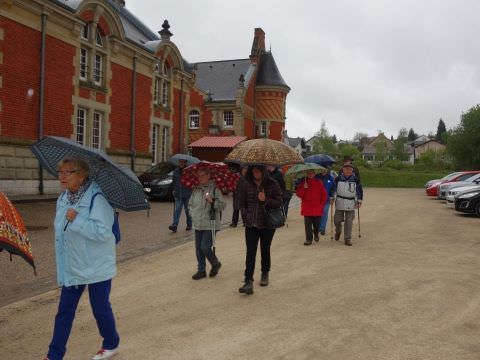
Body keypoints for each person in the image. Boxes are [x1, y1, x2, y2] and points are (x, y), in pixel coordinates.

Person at [44, 157, 119, 360]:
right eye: (60, 172)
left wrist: (77, 219)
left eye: (68, 172)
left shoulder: (97, 199)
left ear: (82, 175)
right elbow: (61, 230)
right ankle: (54, 355)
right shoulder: (65, 197)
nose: (62, 176)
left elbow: (103, 233)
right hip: (74, 263)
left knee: (100, 307)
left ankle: (111, 343)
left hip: (96, 264)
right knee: (65, 311)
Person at [237, 165, 283, 295]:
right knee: (250, 252)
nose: (255, 173)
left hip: (267, 223)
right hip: (251, 224)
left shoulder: (272, 183)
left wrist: (265, 200)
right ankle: (248, 281)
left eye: (258, 170)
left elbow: (279, 202)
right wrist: (246, 215)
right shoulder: (247, 184)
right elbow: (241, 202)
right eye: (253, 170)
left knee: (265, 249)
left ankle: (264, 273)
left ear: (263, 171)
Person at [188, 167, 226, 280]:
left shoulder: (215, 189)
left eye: (203, 175)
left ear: (208, 175)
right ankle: (201, 270)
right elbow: (190, 204)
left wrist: (212, 201)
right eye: (198, 176)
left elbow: (222, 205)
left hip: (210, 223)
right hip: (197, 223)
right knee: (198, 248)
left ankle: (215, 263)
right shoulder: (196, 189)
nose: (200, 178)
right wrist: (191, 213)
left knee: (205, 247)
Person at [333, 164, 363, 246]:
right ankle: (338, 231)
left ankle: (347, 238)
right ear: (343, 170)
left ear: (352, 171)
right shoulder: (338, 179)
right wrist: (332, 196)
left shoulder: (356, 179)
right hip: (339, 201)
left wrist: (359, 200)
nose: (348, 171)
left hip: (351, 202)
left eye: (349, 169)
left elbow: (359, 190)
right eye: (346, 169)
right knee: (337, 220)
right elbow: (333, 188)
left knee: (349, 221)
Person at [296, 169, 328, 245]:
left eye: (312, 173)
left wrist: (321, 204)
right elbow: (299, 194)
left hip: (317, 207)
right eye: (308, 173)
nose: (310, 174)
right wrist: (304, 188)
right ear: (306, 174)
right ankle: (308, 239)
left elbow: (324, 194)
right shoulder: (303, 183)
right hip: (307, 207)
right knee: (308, 225)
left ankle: (316, 234)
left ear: (314, 174)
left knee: (317, 224)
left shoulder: (319, 182)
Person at [169, 159, 192, 233]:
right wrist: (173, 189)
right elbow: (174, 181)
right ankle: (174, 226)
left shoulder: (189, 171)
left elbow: (192, 182)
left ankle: (189, 224)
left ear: (185, 162)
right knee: (177, 210)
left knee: (187, 211)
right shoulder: (176, 171)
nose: (181, 163)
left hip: (187, 194)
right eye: (180, 162)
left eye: (182, 162)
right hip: (178, 194)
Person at [315, 167, 336, 235]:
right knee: (317, 213)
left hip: (326, 199)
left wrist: (332, 196)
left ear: (327, 170)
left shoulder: (330, 178)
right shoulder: (316, 177)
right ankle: (317, 227)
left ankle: (322, 228)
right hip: (317, 199)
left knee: (324, 212)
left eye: (325, 169)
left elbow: (333, 188)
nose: (324, 170)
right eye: (323, 169)